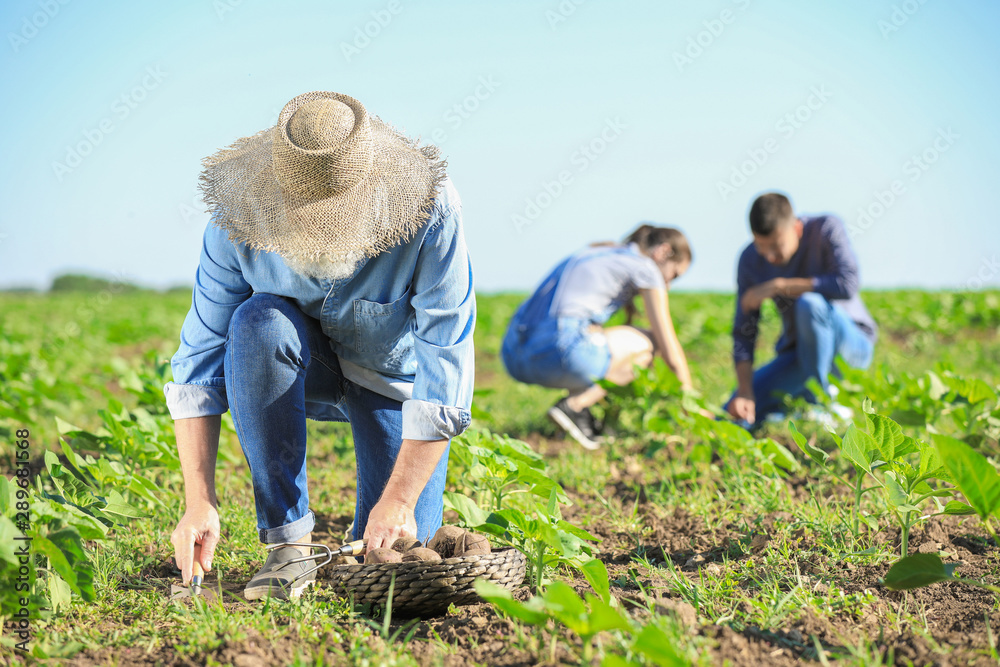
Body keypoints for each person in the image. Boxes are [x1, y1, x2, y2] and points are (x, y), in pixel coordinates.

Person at [164, 91, 475, 600]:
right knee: (257, 321)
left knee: (388, 568)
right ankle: (289, 547)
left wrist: (398, 499)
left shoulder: (431, 212)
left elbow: (447, 362)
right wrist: (198, 500)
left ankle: (387, 507)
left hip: (392, 382)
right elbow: (199, 364)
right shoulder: (236, 221)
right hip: (290, 367)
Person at [501, 224, 694, 449]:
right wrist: (689, 400)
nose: (668, 286)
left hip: (513, 355)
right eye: (673, 275)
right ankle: (575, 406)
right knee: (649, 343)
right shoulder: (645, 267)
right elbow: (669, 347)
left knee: (594, 336)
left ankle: (576, 422)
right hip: (560, 353)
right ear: (663, 252)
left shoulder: (595, 251)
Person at [726, 192, 877, 428]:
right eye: (761, 247)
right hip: (800, 355)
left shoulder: (826, 229)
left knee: (810, 304)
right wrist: (745, 390)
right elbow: (744, 332)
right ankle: (797, 404)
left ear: (796, 229)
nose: (769, 257)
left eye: (776, 247)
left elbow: (847, 284)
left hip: (850, 348)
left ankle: (821, 403)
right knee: (735, 413)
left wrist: (781, 286)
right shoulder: (749, 260)